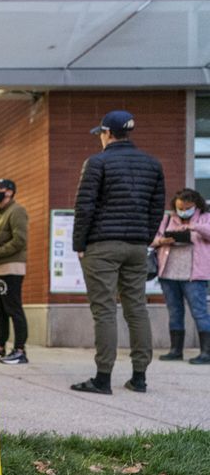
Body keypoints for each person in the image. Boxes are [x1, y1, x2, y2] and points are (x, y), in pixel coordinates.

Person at [71, 110, 165, 395]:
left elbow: (85, 206)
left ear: (108, 133)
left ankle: (102, 377)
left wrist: (79, 244)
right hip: (137, 246)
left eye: (101, 133)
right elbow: (156, 208)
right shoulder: (153, 164)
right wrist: (145, 238)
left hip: (102, 245)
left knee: (105, 310)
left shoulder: (97, 163)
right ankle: (139, 377)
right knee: (136, 308)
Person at [153, 188, 210, 365]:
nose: (183, 210)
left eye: (187, 207)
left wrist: (194, 227)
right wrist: (162, 241)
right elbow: (153, 238)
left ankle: (206, 353)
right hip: (168, 273)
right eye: (180, 207)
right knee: (175, 312)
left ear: (196, 205)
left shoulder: (204, 218)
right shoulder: (168, 219)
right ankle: (176, 350)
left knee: (199, 312)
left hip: (194, 275)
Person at [0, 179, 30, 364]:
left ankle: (19, 349)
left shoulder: (17, 211)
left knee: (13, 308)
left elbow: (20, 240)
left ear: (9, 192)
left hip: (10, 267)